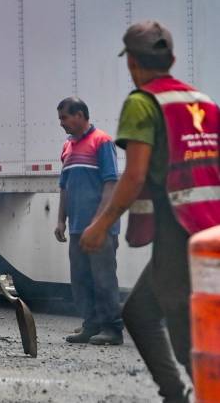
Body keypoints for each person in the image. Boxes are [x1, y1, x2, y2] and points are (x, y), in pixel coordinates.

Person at [80, 21, 220, 403]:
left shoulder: (143, 102)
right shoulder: (203, 100)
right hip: (210, 227)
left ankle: (202, 392)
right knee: (142, 313)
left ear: (132, 65)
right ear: (171, 59)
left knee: (182, 330)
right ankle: (176, 394)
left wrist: (100, 224)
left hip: (181, 228)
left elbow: (135, 174)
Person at [54, 97, 123, 345]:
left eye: (65, 118)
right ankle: (90, 325)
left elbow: (110, 184)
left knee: (103, 279)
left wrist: (99, 222)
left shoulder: (101, 142)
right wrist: (61, 220)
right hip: (76, 228)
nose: (62, 123)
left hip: (100, 228)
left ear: (80, 115)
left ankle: (112, 329)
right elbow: (64, 187)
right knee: (81, 278)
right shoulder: (67, 146)